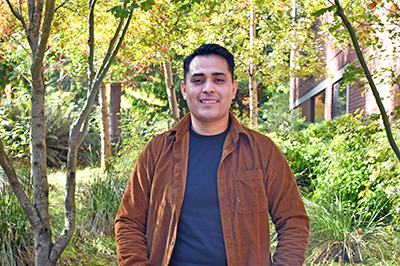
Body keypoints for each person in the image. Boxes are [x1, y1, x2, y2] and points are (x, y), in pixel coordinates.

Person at [115, 43, 309, 266]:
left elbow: (293, 220)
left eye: (218, 79)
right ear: (184, 89)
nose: (208, 88)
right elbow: (129, 221)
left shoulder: (263, 152)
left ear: (233, 88)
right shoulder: (157, 152)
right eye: (198, 80)